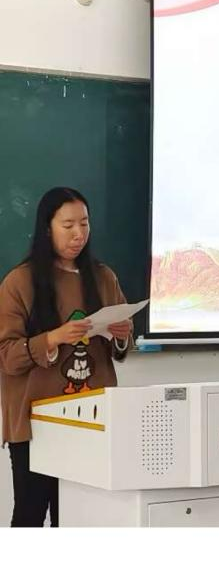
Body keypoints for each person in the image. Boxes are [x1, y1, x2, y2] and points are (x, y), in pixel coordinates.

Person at [1, 188, 133, 527]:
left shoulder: (103, 277)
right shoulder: (19, 281)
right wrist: (53, 338)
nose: (79, 234)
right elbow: (7, 356)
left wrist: (121, 335)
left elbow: (120, 350)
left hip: (92, 419)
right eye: (68, 225)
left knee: (79, 516)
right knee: (30, 515)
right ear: (47, 228)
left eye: (85, 224)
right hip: (37, 424)